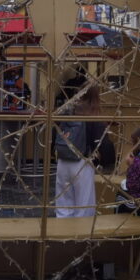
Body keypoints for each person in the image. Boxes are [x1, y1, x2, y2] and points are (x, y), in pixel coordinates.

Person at [54, 84, 100, 218]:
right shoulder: (92, 113)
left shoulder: (67, 110)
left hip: (62, 161)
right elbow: (101, 142)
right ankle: (80, 236)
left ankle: (61, 233)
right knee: (84, 207)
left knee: (63, 205)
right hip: (82, 162)